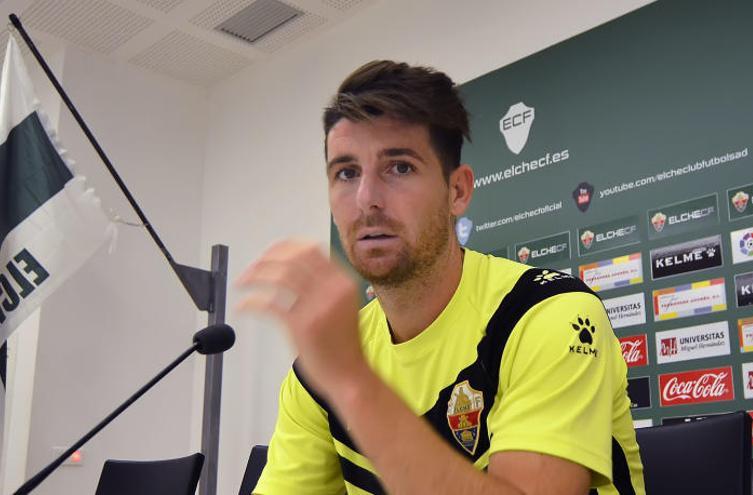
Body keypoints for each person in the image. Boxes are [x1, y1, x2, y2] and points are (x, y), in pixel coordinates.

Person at [238, 60, 645, 495]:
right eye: (346, 172)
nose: (366, 199)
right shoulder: (317, 376)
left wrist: (352, 382)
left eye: (399, 167)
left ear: (458, 191)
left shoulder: (548, 316)